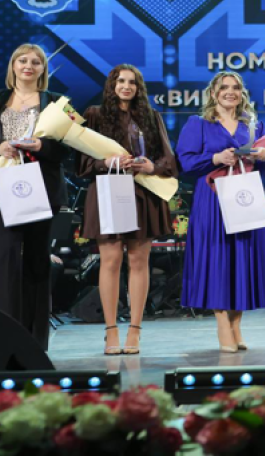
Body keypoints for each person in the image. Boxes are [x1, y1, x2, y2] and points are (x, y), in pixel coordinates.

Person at [0, 43, 68, 349]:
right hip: (2, 186)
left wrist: (42, 147)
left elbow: (68, 149)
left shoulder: (56, 102)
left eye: (36, 62)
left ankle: (34, 340)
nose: (28, 65)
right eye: (22, 60)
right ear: (13, 65)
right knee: (5, 252)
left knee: (38, 257)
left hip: (43, 187)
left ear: (43, 69)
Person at [76, 64, 177, 355]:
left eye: (132, 82)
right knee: (110, 261)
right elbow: (81, 163)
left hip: (142, 194)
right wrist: (105, 163)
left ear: (138, 88)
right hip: (108, 191)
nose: (126, 86)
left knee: (138, 261)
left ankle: (135, 330)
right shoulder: (94, 114)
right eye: (121, 81)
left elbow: (168, 159)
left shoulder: (151, 116)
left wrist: (152, 166)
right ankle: (110, 332)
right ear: (112, 85)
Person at [177, 71, 265, 352]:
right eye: (224, 88)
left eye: (235, 87)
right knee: (216, 260)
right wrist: (215, 158)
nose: (230, 92)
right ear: (213, 93)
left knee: (241, 260)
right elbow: (184, 162)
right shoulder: (198, 124)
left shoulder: (255, 125)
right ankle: (222, 324)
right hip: (212, 201)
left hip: (245, 199)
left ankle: (236, 325)